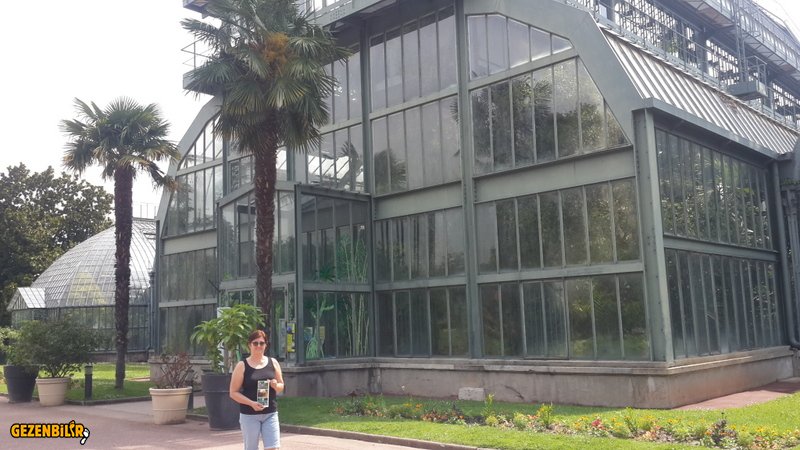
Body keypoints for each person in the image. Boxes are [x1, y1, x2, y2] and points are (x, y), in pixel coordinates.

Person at [230, 330, 285, 450]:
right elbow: (233, 392)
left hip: (270, 413)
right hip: (249, 415)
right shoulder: (242, 365)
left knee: (273, 447)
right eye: (255, 343)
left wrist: (275, 385)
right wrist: (251, 403)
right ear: (249, 345)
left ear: (266, 345)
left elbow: (281, 385)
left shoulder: (273, 362)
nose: (259, 346)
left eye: (262, 343)